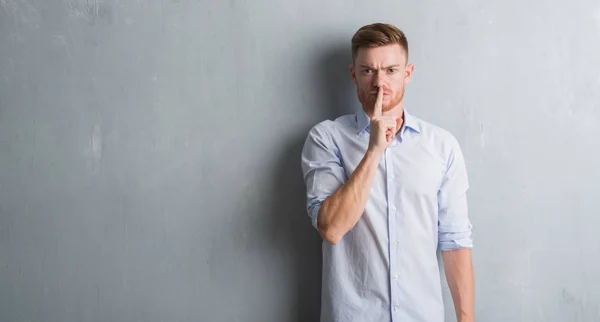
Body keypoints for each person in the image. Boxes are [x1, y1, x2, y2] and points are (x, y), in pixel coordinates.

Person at [300, 23, 475, 322]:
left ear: (408, 73)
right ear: (354, 75)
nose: (380, 83)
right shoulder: (326, 138)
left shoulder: (441, 145)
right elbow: (331, 229)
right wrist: (374, 150)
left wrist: (466, 319)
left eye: (391, 70)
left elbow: (454, 241)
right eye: (368, 71)